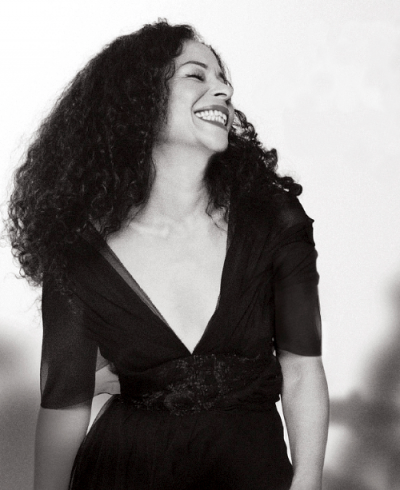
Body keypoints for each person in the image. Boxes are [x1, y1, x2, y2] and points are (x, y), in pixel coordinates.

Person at [7, 20, 329, 490]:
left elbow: (302, 368)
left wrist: (308, 482)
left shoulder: (274, 221)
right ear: (138, 100)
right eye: (196, 75)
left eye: (223, 79)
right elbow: (64, 406)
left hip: (252, 472)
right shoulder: (80, 254)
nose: (224, 90)